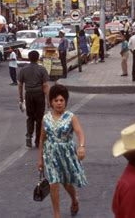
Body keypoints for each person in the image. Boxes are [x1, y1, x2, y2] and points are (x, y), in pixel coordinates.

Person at [38, 84, 87, 218]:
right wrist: (40, 160)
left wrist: (81, 146)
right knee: (53, 184)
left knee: (66, 183)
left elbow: (80, 133)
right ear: (51, 102)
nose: (59, 103)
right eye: (56, 100)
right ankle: (57, 215)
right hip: (50, 155)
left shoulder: (71, 117)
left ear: (65, 101)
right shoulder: (45, 118)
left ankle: (74, 199)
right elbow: (42, 139)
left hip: (66, 154)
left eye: (61, 100)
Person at [17, 50, 50, 148]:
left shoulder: (23, 70)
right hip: (39, 95)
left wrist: (21, 98)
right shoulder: (42, 69)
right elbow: (45, 85)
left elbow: (20, 85)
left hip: (29, 95)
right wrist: (48, 99)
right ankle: (38, 141)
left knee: (30, 117)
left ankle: (29, 136)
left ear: (29, 58)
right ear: (38, 58)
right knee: (40, 118)